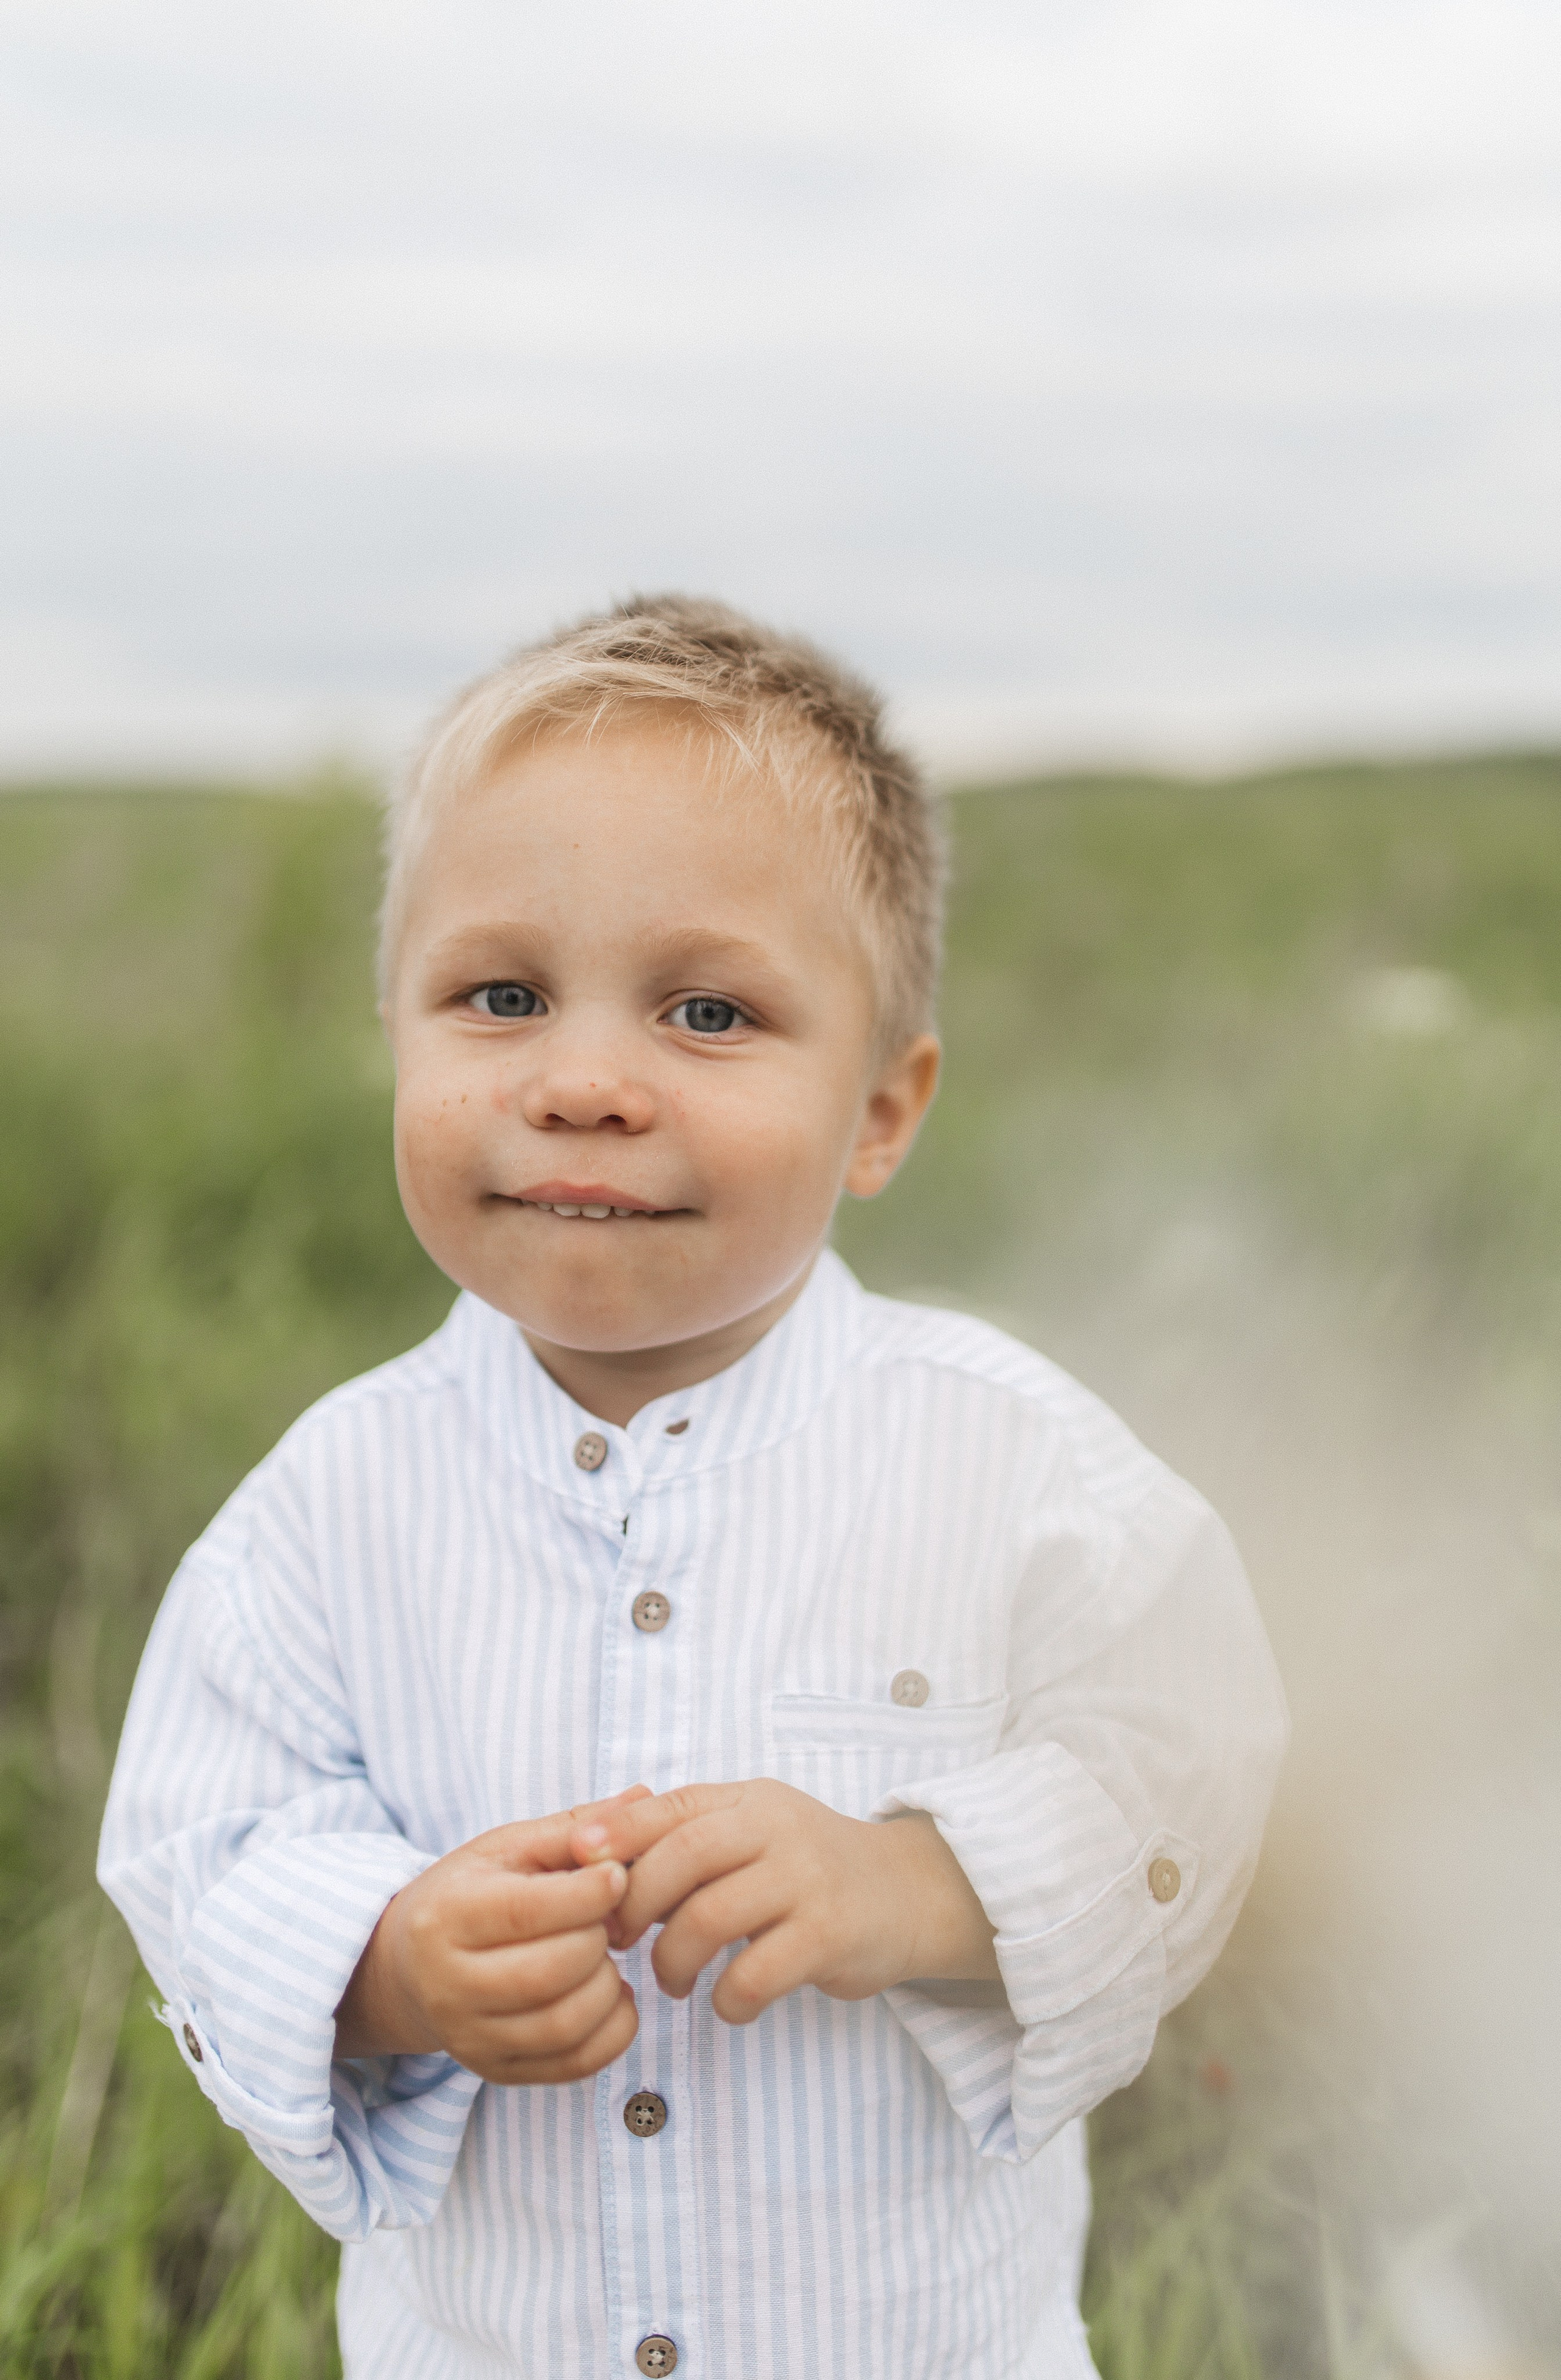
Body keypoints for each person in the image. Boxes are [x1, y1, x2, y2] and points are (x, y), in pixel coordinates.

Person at [98, 595, 1288, 2379]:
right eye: (499, 997)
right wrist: (390, 1957)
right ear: (396, 1034)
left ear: (882, 1110)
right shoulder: (329, 1506)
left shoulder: (1012, 1466)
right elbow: (196, 1842)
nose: (583, 1083)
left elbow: (1191, 1756)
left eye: (708, 1011)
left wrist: (919, 1884)